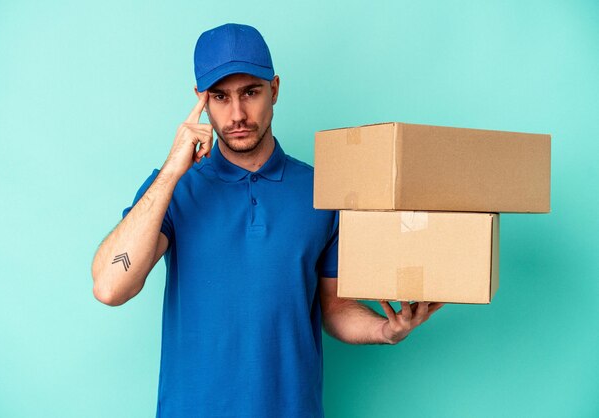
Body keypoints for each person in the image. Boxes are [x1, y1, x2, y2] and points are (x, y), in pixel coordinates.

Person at [91, 23, 443, 418]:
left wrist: (385, 330)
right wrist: (173, 171)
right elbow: (109, 286)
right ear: (200, 100)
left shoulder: (322, 190)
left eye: (251, 92)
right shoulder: (172, 190)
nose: (237, 114)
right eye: (220, 97)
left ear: (274, 89)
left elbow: (335, 305)